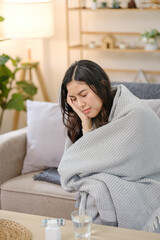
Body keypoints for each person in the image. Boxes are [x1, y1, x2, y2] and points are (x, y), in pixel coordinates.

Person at [58, 59, 160, 232]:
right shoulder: (86, 115)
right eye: (73, 99)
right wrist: (86, 124)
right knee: (96, 188)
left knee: (96, 191)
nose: (80, 104)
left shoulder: (132, 112)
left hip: (144, 179)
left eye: (84, 94)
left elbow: (132, 166)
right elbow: (82, 166)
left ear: (102, 85)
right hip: (116, 176)